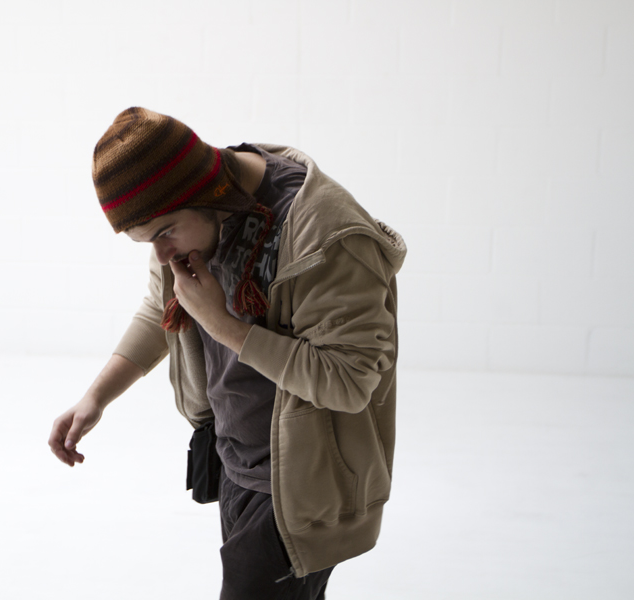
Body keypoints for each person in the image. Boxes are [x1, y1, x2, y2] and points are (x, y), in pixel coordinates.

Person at [48, 107, 406, 599]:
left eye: (164, 233)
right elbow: (163, 306)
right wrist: (96, 398)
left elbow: (347, 380)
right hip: (236, 460)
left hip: (303, 479)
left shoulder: (326, 235)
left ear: (207, 194)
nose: (161, 255)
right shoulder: (187, 217)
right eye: (146, 241)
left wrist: (221, 325)